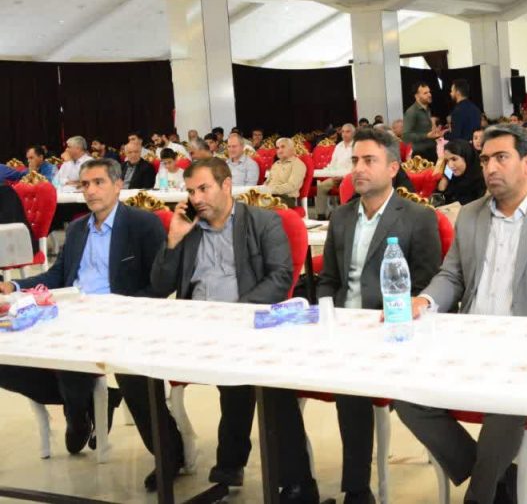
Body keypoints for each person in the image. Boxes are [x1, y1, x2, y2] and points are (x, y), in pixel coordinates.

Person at [394, 124, 527, 504]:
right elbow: (452, 276)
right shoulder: (470, 215)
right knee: (403, 391)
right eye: (485, 159)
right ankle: (495, 476)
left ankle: (480, 495)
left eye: (501, 158)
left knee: (507, 401)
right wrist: (424, 301)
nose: (490, 167)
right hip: (468, 338)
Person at [125, 158, 319, 501]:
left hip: (247, 325)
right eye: (190, 191)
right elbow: (160, 284)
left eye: (204, 188)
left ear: (226, 185)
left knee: (269, 381)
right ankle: (174, 454)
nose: (196, 198)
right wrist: (174, 239)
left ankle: (293, 480)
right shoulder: (188, 228)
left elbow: (280, 279)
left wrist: (233, 315)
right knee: (133, 366)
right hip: (194, 327)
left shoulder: (263, 222)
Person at [0, 159, 163, 461]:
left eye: (99, 182)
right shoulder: (77, 229)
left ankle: (77, 414)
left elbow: (159, 284)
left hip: (116, 316)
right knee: (6, 357)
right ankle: (81, 405)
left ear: (118, 185)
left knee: (70, 356)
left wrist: (125, 309)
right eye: (85, 184)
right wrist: (14, 286)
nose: (90, 191)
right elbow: (56, 276)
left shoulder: (142, 224)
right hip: (70, 309)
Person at [316, 129, 441, 504]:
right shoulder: (341, 216)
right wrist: (327, 317)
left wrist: (402, 315)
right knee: (274, 380)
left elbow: (428, 284)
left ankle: (355, 489)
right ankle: (298, 483)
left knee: (351, 380)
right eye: (355, 160)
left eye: (369, 160)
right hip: (342, 326)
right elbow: (328, 280)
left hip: (390, 328)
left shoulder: (418, 218)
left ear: (392, 168)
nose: (358, 168)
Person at [314, 124, 356, 219]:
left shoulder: (357, 146)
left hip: (351, 178)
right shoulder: (338, 146)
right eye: (343, 132)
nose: (344, 134)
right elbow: (333, 163)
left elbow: (356, 166)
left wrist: (344, 177)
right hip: (336, 176)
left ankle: (343, 214)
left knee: (345, 185)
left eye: (347, 132)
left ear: (353, 133)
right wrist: (333, 175)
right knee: (321, 187)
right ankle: (321, 215)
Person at [403, 82, 442, 162]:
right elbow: (406, 136)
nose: (429, 95)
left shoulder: (428, 109)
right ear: (417, 96)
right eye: (425, 93)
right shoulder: (411, 112)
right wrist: (426, 136)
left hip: (432, 152)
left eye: (429, 92)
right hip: (420, 155)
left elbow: (426, 131)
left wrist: (435, 134)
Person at [266, 138, 307, 207]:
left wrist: (270, 190)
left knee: (262, 203)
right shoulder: (276, 164)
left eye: (283, 147)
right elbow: (268, 182)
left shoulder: (297, 164)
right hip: (269, 195)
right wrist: (261, 189)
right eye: (277, 148)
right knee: (249, 201)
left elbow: (291, 186)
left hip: (287, 198)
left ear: (291, 149)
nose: (279, 150)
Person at [449, 79, 483, 143]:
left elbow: (455, 136)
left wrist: (444, 135)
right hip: (475, 145)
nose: (450, 93)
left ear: (457, 92)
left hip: (463, 147)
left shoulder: (457, 111)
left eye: (452, 91)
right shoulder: (476, 108)